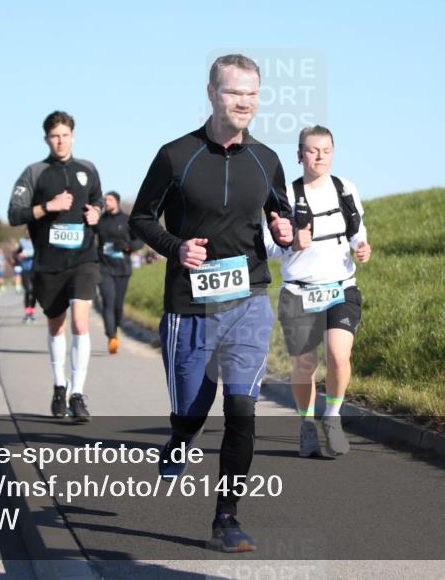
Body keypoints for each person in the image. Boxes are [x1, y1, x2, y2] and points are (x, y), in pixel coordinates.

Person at [129, 54, 294, 553]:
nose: (244, 102)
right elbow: (140, 219)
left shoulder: (267, 160)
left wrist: (285, 229)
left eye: (252, 93)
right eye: (233, 92)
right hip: (191, 306)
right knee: (191, 412)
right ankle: (180, 439)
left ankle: (227, 517)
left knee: (242, 409)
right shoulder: (176, 155)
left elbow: (281, 215)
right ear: (211, 94)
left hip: (248, 300)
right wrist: (176, 247)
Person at [264, 126, 371, 458]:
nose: (319, 156)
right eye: (312, 150)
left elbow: (356, 229)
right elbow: (267, 247)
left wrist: (361, 246)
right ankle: (307, 425)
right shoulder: (283, 195)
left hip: (341, 287)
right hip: (300, 291)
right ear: (299, 155)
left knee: (339, 356)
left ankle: (333, 417)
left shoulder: (345, 188)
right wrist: (292, 243)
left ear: (333, 153)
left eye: (326, 150)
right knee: (305, 364)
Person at [7, 110, 104, 422]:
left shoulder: (87, 169)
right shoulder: (34, 173)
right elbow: (14, 214)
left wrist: (97, 213)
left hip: (84, 258)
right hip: (49, 263)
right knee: (57, 325)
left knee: (80, 323)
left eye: (64, 135)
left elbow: (98, 200)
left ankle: (78, 393)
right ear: (46, 139)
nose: (60, 141)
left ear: (73, 136)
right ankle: (59, 386)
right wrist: (47, 207)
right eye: (54, 136)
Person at [96, 191, 143, 354]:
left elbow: (140, 241)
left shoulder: (127, 220)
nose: (106, 202)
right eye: (104, 200)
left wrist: (128, 246)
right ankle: (112, 336)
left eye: (109, 199)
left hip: (123, 268)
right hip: (103, 267)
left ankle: (115, 329)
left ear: (116, 201)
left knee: (117, 305)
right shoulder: (100, 221)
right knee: (108, 302)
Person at [15, 236, 37, 323]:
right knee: (28, 290)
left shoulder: (37, 240)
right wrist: (19, 256)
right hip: (26, 269)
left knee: (35, 292)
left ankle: (32, 313)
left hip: (36, 269)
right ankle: (27, 313)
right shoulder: (22, 242)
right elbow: (16, 254)